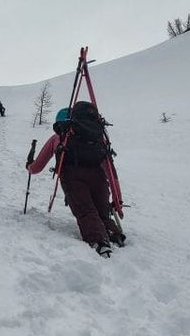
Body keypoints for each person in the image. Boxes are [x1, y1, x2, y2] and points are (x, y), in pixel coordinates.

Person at [27, 104, 125, 257]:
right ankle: (114, 234)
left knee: (86, 210)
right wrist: (117, 198)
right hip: (98, 177)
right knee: (102, 212)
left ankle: (99, 242)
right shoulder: (97, 137)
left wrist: (29, 167)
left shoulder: (57, 138)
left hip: (73, 177)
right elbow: (110, 169)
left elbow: (37, 167)